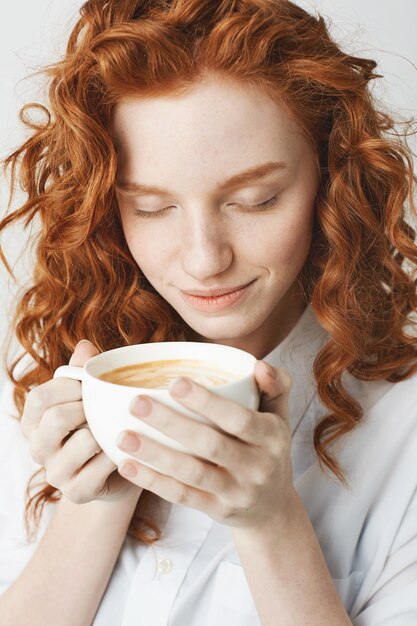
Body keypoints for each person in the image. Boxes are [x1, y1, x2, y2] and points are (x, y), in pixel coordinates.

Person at [0, 0, 416, 624]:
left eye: (255, 200)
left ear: (333, 184)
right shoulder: (52, 380)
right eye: (152, 208)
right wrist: (97, 497)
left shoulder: (403, 433)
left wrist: (270, 521)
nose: (203, 261)